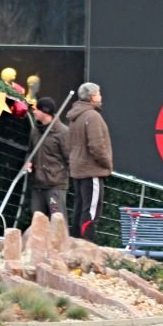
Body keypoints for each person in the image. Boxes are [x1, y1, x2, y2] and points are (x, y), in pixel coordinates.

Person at [67, 82, 113, 243]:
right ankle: (87, 244)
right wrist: (107, 163)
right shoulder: (93, 116)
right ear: (93, 97)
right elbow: (96, 146)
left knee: (79, 208)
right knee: (91, 210)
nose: (101, 96)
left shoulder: (75, 116)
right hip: (91, 170)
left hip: (77, 169)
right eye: (99, 93)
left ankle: (75, 243)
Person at [27, 97, 70, 220]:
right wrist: (28, 162)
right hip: (37, 184)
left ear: (45, 112)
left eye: (37, 109)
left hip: (55, 186)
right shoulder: (35, 130)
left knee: (57, 222)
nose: (34, 111)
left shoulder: (63, 132)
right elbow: (29, 151)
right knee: (37, 222)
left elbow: (70, 158)